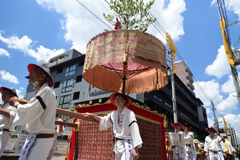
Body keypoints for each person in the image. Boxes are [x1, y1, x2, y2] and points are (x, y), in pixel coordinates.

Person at [9, 63, 57, 160]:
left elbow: (32, 110)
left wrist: (16, 104)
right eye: (30, 72)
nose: (30, 73)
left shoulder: (46, 90)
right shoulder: (41, 92)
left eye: (34, 70)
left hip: (42, 139)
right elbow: (33, 108)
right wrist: (22, 105)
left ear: (43, 76)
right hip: (35, 138)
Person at [84, 93, 143, 160]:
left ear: (124, 101)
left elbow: (134, 131)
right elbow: (104, 120)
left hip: (127, 144)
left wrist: (136, 150)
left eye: (119, 98)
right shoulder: (113, 114)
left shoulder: (130, 113)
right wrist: (92, 115)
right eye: (116, 99)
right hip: (118, 145)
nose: (117, 100)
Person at [0, 87, 17, 157]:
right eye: (2, 93)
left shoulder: (12, 105)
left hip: (2, 134)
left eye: (6, 93)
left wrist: (0, 110)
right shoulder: (3, 105)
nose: (3, 95)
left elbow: (13, 116)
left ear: (12, 96)